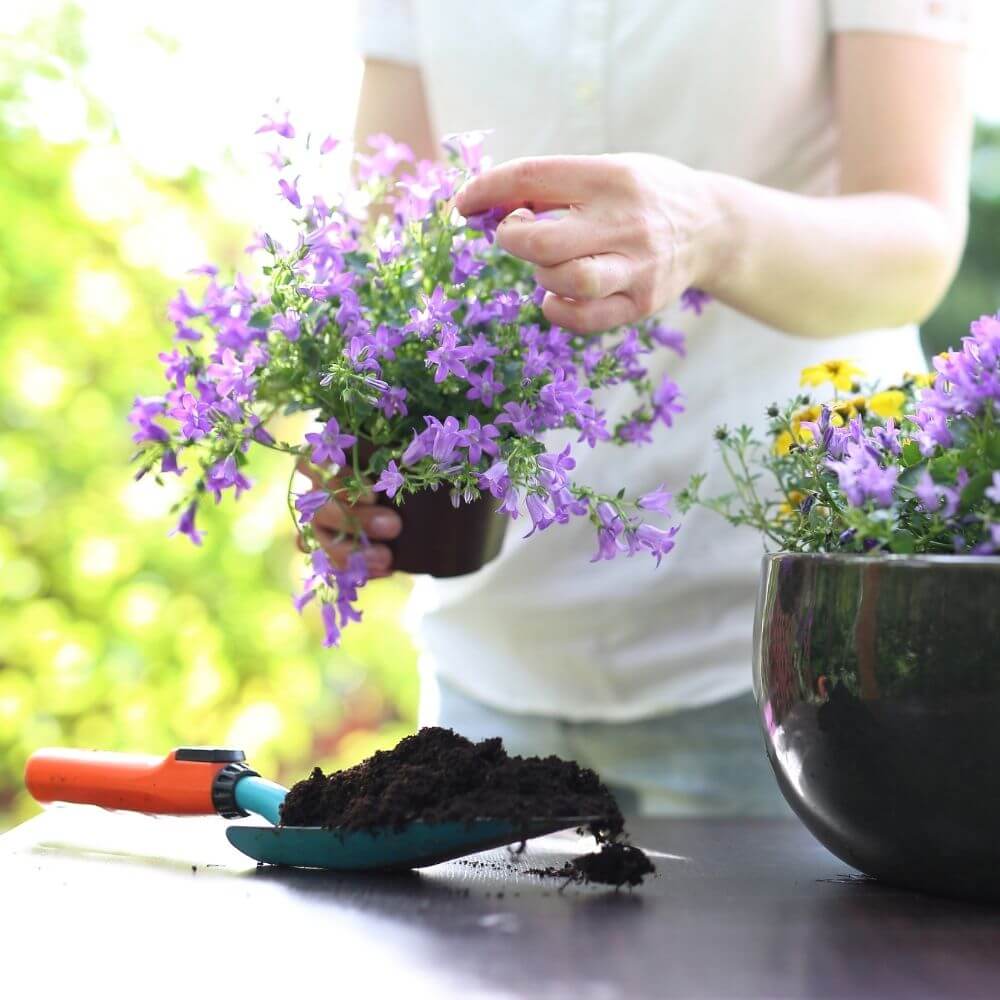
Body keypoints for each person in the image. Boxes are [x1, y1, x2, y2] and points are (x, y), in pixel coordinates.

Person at [306, 0, 972, 815]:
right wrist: (357, 436)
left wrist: (709, 227)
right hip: (492, 656)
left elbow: (918, 240)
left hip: (777, 662)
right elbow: (387, 233)